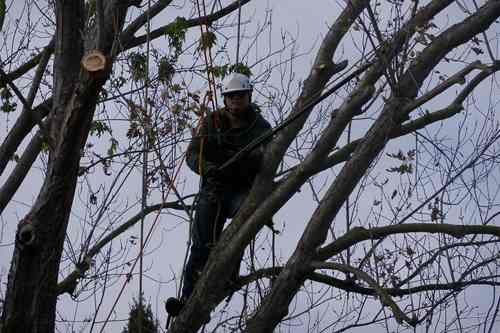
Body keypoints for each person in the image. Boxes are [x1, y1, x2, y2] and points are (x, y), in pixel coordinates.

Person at [165, 73, 272, 317]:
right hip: (214, 189)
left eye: (240, 96)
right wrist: (208, 168)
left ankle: (228, 277)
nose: (235, 100)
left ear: (248, 96)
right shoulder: (212, 122)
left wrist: (249, 160)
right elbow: (193, 154)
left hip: (242, 190)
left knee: (241, 229)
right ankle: (187, 298)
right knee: (202, 244)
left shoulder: (260, 127)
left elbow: (268, 160)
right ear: (225, 99)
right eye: (231, 96)